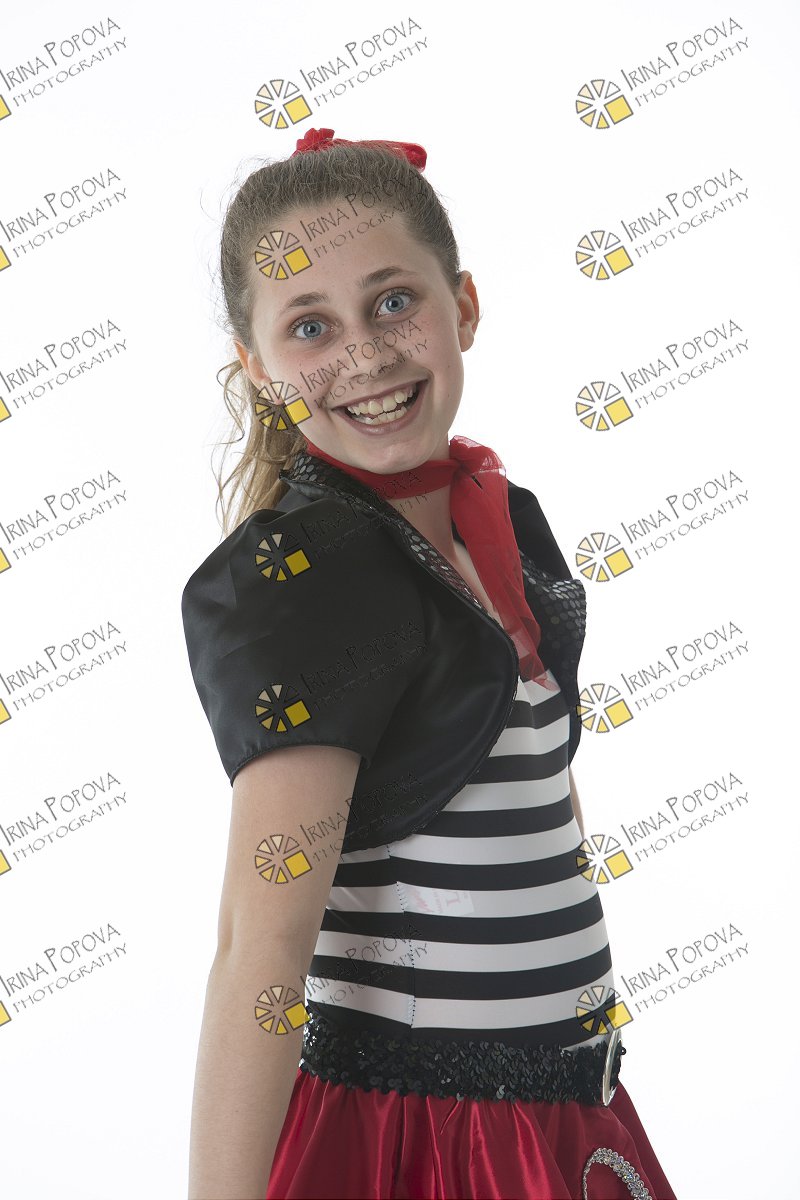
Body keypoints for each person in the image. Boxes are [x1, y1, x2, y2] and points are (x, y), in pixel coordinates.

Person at [181, 127, 679, 1200]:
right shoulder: (308, 578)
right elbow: (259, 948)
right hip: (421, 1140)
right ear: (258, 367)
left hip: (567, 1106)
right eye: (310, 326)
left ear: (464, 305)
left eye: (393, 301)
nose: (363, 354)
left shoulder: (502, 529)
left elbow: (542, 814)